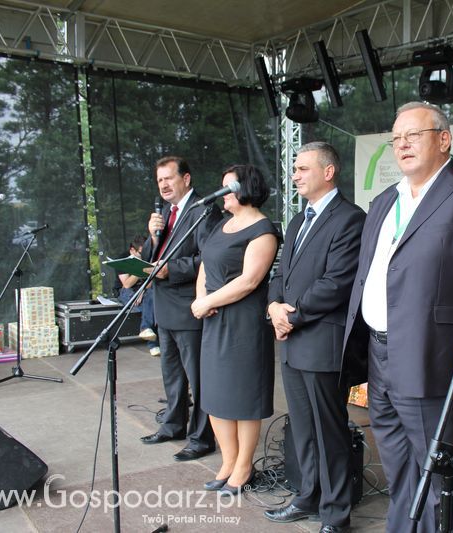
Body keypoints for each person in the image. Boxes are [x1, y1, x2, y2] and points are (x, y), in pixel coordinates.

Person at [342, 102, 453, 533]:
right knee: (397, 466)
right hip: (380, 354)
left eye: (413, 135)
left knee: (437, 472)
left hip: (434, 358)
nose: (402, 145)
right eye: (396, 139)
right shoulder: (385, 200)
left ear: (444, 139)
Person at [265, 142, 365, 533]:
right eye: (294, 169)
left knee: (330, 432)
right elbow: (281, 274)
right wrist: (274, 307)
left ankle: (336, 514)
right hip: (292, 342)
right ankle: (307, 496)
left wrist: (291, 317)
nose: (295, 176)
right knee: (303, 430)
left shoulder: (350, 219)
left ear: (328, 172)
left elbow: (337, 283)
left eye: (303, 169)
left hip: (322, 343)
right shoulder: (297, 221)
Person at [191, 164, 279, 496]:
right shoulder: (221, 224)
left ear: (245, 188)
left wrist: (208, 301)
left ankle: (244, 467)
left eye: (228, 187)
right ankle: (228, 462)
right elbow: (205, 265)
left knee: (243, 397)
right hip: (214, 318)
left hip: (243, 324)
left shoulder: (263, 230)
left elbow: (249, 281)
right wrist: (201, 299)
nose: (222, 193)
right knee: (215, 395)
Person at [139, 156, 220, 462]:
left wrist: (171, 269)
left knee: (198, 378)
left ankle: (202, 437)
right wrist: (152, 236)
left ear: (186, 179)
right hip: (164, 306)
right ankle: (173, 425)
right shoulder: (164, 213)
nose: (163, 185)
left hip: (189, 306)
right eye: (159, 180)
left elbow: (210, 258)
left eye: (169, 178)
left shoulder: (203, 210)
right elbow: (151, 257)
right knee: (172, 373)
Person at [114, 234, 160, 356]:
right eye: (141, 253)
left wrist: (142, 290)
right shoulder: (123, 258)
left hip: (143, 289)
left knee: (152, 297)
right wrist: (140, 270)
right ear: (132, 250)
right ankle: (153, 344)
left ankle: (146, 329)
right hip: (125, 290)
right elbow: (127, 284)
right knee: (150, 306)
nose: (144, 255)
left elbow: (151, 282)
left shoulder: (150, 255)